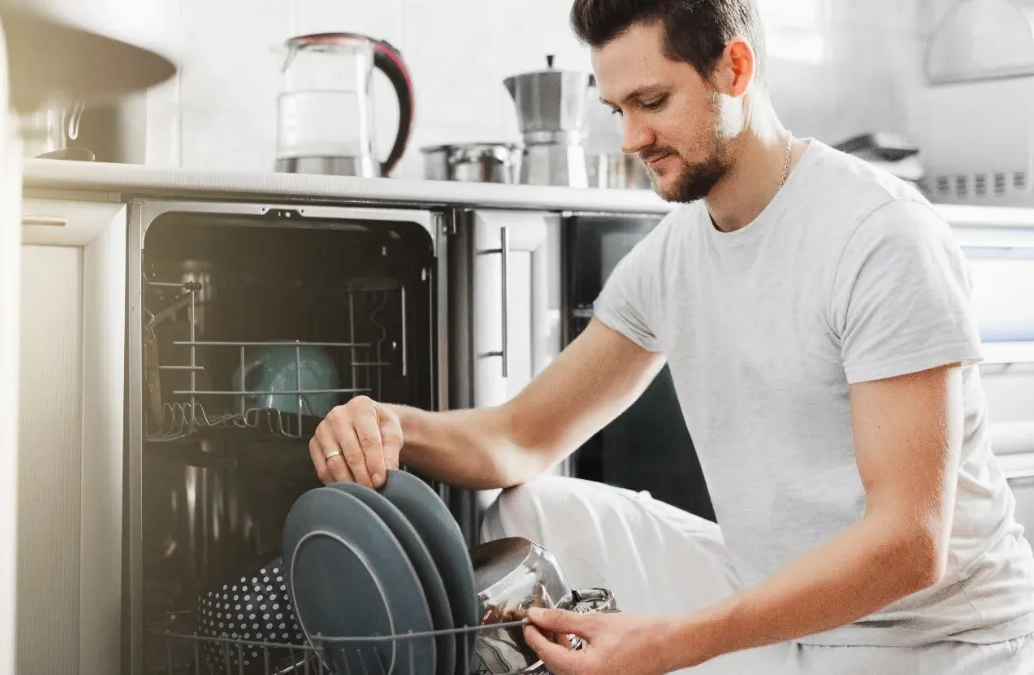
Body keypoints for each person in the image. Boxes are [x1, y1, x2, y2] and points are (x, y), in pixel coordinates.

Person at [307, 0, 1034, 672]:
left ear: (735, 68)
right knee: (535, 508)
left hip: (930, 638)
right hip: (776, 604)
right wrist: (385, 423)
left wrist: (671, 643)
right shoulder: (672, 256)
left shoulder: (878, 235)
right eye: (618, 108)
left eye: (653, 102)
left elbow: (909, 546)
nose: (632, 139)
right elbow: (519, 437)